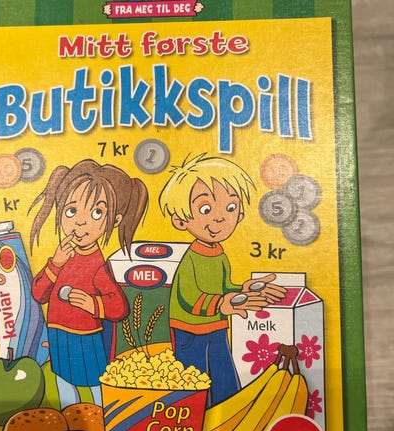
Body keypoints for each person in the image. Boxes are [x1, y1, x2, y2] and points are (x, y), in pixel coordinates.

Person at [159, 152, 286, 406]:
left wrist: (243, 289)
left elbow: (225, 287)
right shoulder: (191, 258)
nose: (219, 217)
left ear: (240, 215)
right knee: (194, 383)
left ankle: (229, 416)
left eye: (230, 208)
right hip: (189, 330)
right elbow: (188, 297)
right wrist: (221, 303)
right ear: (180, 220)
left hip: (216, 326)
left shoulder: (219, 254)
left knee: (224, 379)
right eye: (205, 209)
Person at [29, 159, 148, 408]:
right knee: (63, 381)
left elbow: (119, 307)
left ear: (115, 220)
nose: (80, 222)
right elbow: (39, 293)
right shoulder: (61, 257)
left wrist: (92, 304)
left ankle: (102, 418)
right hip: (58, 332)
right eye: (71, 211)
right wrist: (55, 264)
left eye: (96, 213)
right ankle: (70, 417)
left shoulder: (96, 265)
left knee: (94, 383)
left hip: (86, 337)